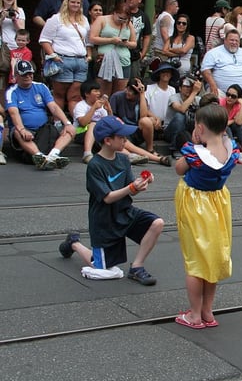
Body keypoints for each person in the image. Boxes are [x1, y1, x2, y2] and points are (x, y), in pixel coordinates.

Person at [58, 116, 163, 284]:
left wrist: (141, 183)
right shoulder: (95, 165)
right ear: (107, 140)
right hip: (104, 220)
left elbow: (130, 190)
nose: (125, 140)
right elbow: (107, 198)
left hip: (124, 211)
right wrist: (131, 188)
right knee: (101, 267)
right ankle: (74, 244)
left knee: (157, 223)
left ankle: (137, 267)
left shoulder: (122, 159)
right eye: (121, 137)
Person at [173, 104, 239, 328]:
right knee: (211, 259)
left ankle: (193, 315)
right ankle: (207, 312)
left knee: (195, 261)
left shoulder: (195, 153)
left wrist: (194, 142)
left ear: (199, 127)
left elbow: (179, 169)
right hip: (219, 203)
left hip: (196, 205)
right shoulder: (232, 150)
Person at [5, 60, 75, 168]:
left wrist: (67, 123)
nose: (28, 76)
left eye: (30, 73)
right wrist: (22, 129)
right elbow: (14, 113)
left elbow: (54, 107)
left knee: (71, 130)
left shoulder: (41, 87)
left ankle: (53, 155)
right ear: (17, 75)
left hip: (43, 130)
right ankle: (39, 156)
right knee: (17, 131)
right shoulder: (12, 91)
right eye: (24, 74)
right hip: (25, 130)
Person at [39, 0, 92, 114]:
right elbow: (44, 39)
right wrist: (53, 55)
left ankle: (75, 123)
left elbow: (88, 41)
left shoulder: (83, 20)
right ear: (66, 3)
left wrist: (89, 56)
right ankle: (58, 122)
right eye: (72, 2)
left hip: (80, 60)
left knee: (75, 96)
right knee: (59, 94)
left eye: (78, 3)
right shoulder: (56, 19)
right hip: (63, 59)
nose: (75, 5)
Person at [109, 77, 171, 165]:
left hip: (135, 131)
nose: (128, 92)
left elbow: (143, 116)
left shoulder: (141, 99)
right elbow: (111, 117)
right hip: (122, 131)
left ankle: (150, 149)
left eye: (131, 92)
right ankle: (153, 158)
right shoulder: (117, 96)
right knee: (122, 143)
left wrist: (142, 94)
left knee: (147, 121)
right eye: (127, 89)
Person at [88, 1, 136, 97]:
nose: (122, 21)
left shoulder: (128, 23)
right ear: (114, 13)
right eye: (120, 18)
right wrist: (111, 40)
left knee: (119, 95)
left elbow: (134, 43)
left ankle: (114, 111)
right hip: (105, 60)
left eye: (125, 19)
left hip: (124, 61)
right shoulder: (102, 19)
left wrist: (125, 43)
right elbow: (92, 38)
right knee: (103, 95)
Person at [201, 29, 242, 98]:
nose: (234, 42)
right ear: (225, 40)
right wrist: (212, 84)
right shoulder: (213, 53)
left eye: (236, 41)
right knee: (211, 98)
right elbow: (205, 69)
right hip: (220, 91)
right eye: (231, 40)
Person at [73, 80, 111, 164]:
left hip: (98, 133)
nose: (98, 93)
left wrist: (109, 110)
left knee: (116, 135)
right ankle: (87, 154)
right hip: (81, 133)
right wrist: (93, 108)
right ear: (87, 94)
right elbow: (83, 123)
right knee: (93, 124)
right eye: (95, 91)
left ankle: (133, 155)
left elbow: (109, 123)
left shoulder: (101, 107)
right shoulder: (80, 105)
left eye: (99, 91)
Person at [165, 76, 202, 156]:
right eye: (186, 86)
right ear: (180, 88)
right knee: (180, 116)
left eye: (191, 87)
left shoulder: (198, 99)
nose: (189, 89)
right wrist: (194, 92)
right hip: (171, 131)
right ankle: (175, 148)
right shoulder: (174, 97)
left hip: (188, 130)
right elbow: (182, 109)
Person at [1, 0, 25, 86]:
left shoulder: (19, 11)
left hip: (16, 46)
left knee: (15, 74)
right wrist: (2, 18)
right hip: (3, 46)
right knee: (2, 73)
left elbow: (22, 31)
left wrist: (14, 19)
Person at [125, 0, 152, 79]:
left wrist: (143, 53)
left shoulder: (144, 16)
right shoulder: (121, 13)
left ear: (140, 0)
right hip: (119, 51)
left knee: (133, 82)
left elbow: (147, 35)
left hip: (134, 55)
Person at [161, 13, 194, 77]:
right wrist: (178, 54)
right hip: (170, 70)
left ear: (187, 25)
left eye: (184, 23)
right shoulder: (170, 38)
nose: (181, 25)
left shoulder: (190, 38)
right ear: (176, 24)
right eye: (179, 23)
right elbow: (164, 51)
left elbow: (184, 50)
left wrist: (170, 49)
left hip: (183, 72)